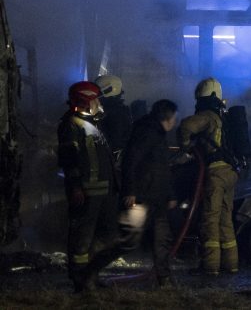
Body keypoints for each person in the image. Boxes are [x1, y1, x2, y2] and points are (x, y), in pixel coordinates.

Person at [85, 99, 180, 287]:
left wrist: (169, 195)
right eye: (174, 118)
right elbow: (131, 161)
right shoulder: (147, 133)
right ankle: (90, 272)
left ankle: (165, 280)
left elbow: (161, 169)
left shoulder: (157, 134)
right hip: (141, 198)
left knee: (162, 241)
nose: (175, 122)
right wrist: (130, 191)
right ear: (167, 118)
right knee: (129, 240)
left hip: (156, 198)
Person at [56, 81, 118, 292]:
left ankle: (91, 273)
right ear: (85, 100)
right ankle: (80, 280)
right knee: (82, 237)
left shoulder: (91, 123)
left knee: (107, 234)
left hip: (104, 191)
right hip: (86, 192)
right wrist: (75, 186)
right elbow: (69, 159)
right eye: (96, 98)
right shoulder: (71, 125)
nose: (99, 103)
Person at [178, 77, 238, 275]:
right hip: (230, 172)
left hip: (216, 172)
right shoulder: (224, 115)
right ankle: (231, 265)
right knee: (225, 220)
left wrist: (186, 147)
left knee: (209, 219)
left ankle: (210, 266)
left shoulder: (208, 115)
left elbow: (186, 126)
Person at [94, 75, 133, 157]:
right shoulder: (113, 110)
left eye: (98, 92)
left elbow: (115, 142)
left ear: (108, 90)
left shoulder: (116, 113)